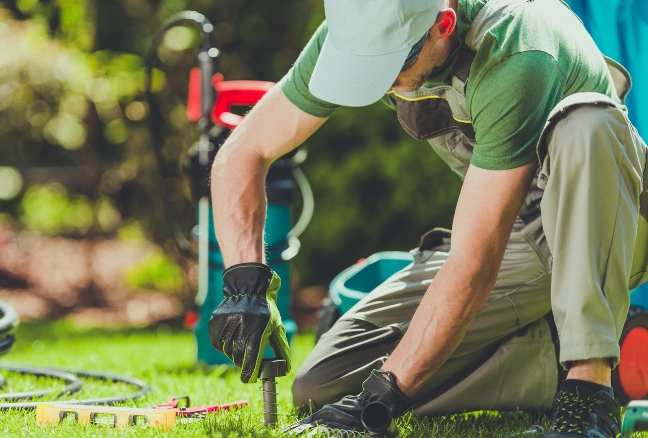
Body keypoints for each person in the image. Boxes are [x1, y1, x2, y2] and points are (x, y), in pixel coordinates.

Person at [206, 0, 648, 436]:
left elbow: (474, 263)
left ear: (443, 23)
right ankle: (591, 347)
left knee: (588, 123)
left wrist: (381, 400)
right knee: (322, 384)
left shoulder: (517, 48)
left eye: (391, 64)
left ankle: (589, 386)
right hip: (516, 235)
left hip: (605, 226)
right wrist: (244, 281)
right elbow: (244, 151)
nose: (380, 81)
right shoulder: (360, 32)